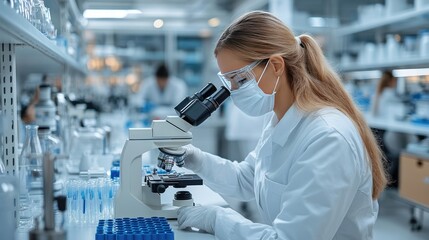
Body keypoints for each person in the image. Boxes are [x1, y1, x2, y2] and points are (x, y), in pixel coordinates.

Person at [176, 11, 387, 240]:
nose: (234, 92)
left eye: (241, 79)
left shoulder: (328, 137)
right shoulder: (281, 119)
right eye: (229, 82)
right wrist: (193, 158)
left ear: (276, 65)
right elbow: (246, 179)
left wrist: (217, 219)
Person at [371, 71, 407, 187]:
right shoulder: (390, 94)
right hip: (388, 135)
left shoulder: (377, 94)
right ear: (392, 81)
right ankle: (400, 180)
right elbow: (399, 113)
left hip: (379, 133)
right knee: (405, 145)